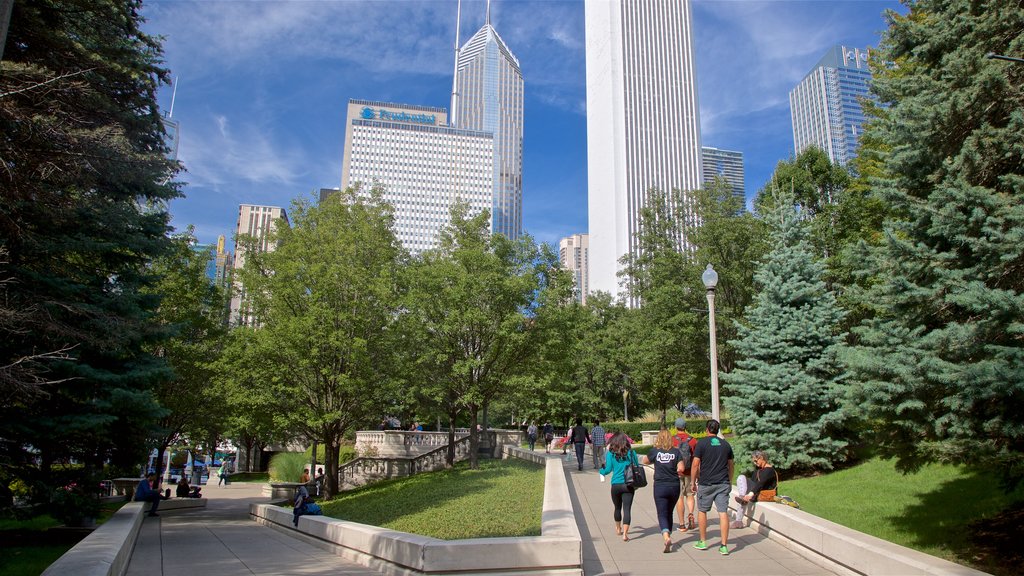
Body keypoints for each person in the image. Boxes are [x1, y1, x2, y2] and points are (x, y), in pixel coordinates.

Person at [690, 419, 734, 555]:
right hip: (723, 483)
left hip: (706, 483)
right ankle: (724, 545)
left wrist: (693, 482)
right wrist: (730, 481)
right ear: (718, 430)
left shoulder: (701, 443)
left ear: (707, 429)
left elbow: (696, 464)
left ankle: (703, 541)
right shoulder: (725, 445)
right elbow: (731, 465)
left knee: (702, 511)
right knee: (723, 512)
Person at [643, 428, 685, 553]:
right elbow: (681, 468)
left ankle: (666, 536)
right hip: (674, 486)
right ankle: (669, 533)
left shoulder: (655, 451)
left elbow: (645, 460)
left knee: (661, 513)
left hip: (660, 486)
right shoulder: (676, 452)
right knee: (669, 512)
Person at [598, 431, 638, 542]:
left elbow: (608, 469)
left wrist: (601, 471)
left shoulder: (611, 453)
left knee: (617, 508)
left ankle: (618, 528)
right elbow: (636, 466)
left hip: (615, 484)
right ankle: (625, 534)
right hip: (628, 484)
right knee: (627, 509)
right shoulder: (631, 452)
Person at [732, 450, 778, 528]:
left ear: (762, 458)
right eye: (753, 461)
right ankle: (743, 500)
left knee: (741, 478)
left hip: (762, 493)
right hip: (756, 492)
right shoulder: (758, 468)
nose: (755, 463)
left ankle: (743, 501)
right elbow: (754, 481)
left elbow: (761, 483)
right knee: (741, 479)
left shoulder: (769, 470)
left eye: (756, 461)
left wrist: (750, 494)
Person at [672, 417, 698, 531]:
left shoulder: (672, 440)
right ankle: (691, 514)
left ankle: (682, 523)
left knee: (680, 497)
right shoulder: (693, 440)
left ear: (675, 427)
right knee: (690, 495)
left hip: (676, 472)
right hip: (689, 472)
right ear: (685, 426)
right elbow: (696, 459)